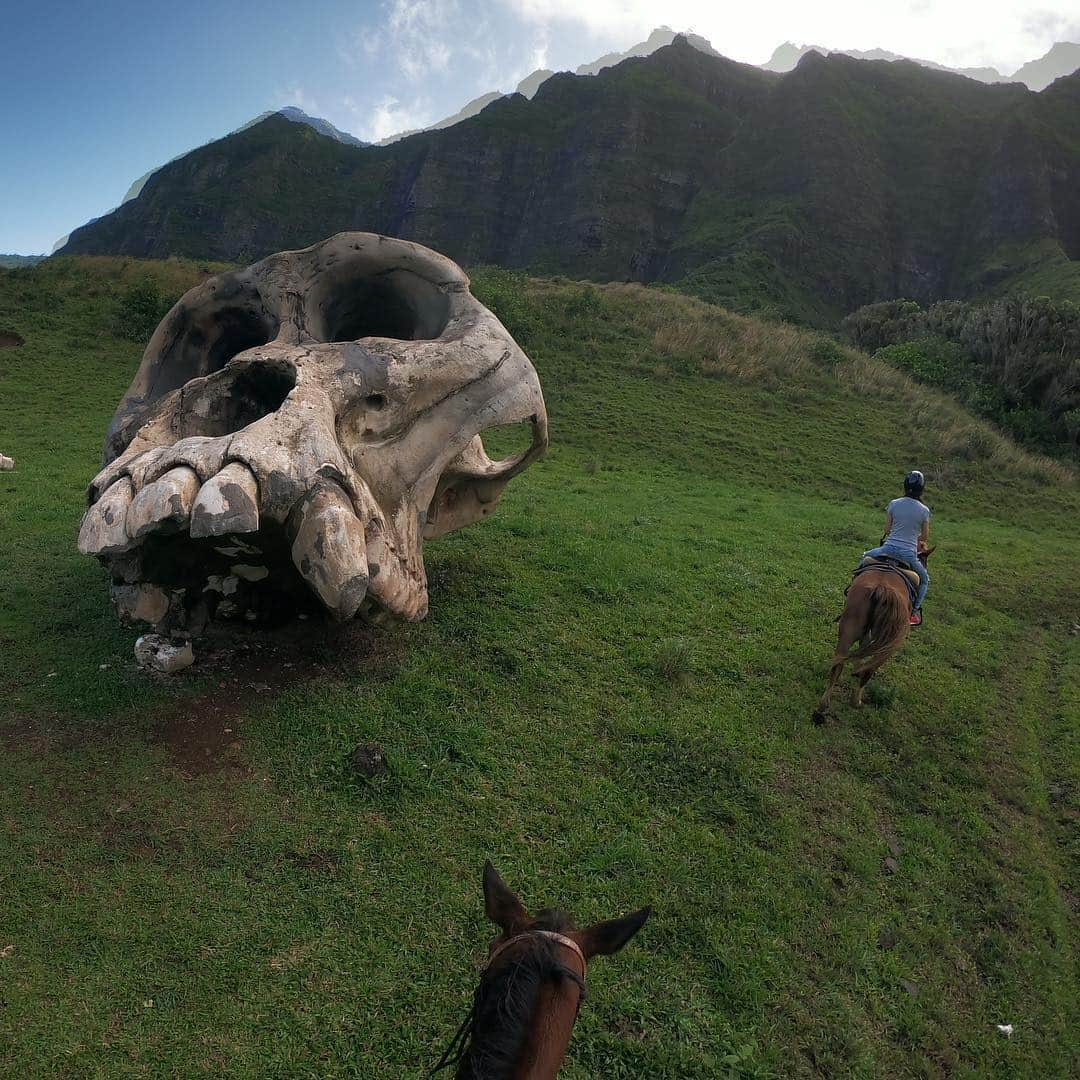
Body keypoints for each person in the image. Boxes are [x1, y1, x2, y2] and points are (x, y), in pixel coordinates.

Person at [862, 470, 930, 625]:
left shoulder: (894, 503)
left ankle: (851, 590)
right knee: (925, 580)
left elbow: (887, 530)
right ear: (922, 489)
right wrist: (914, 539)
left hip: (887, 549)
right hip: (908, 555)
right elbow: (925, 537)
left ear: (905, 486)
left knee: (864, 557)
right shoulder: (924, 511)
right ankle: (912, 613)